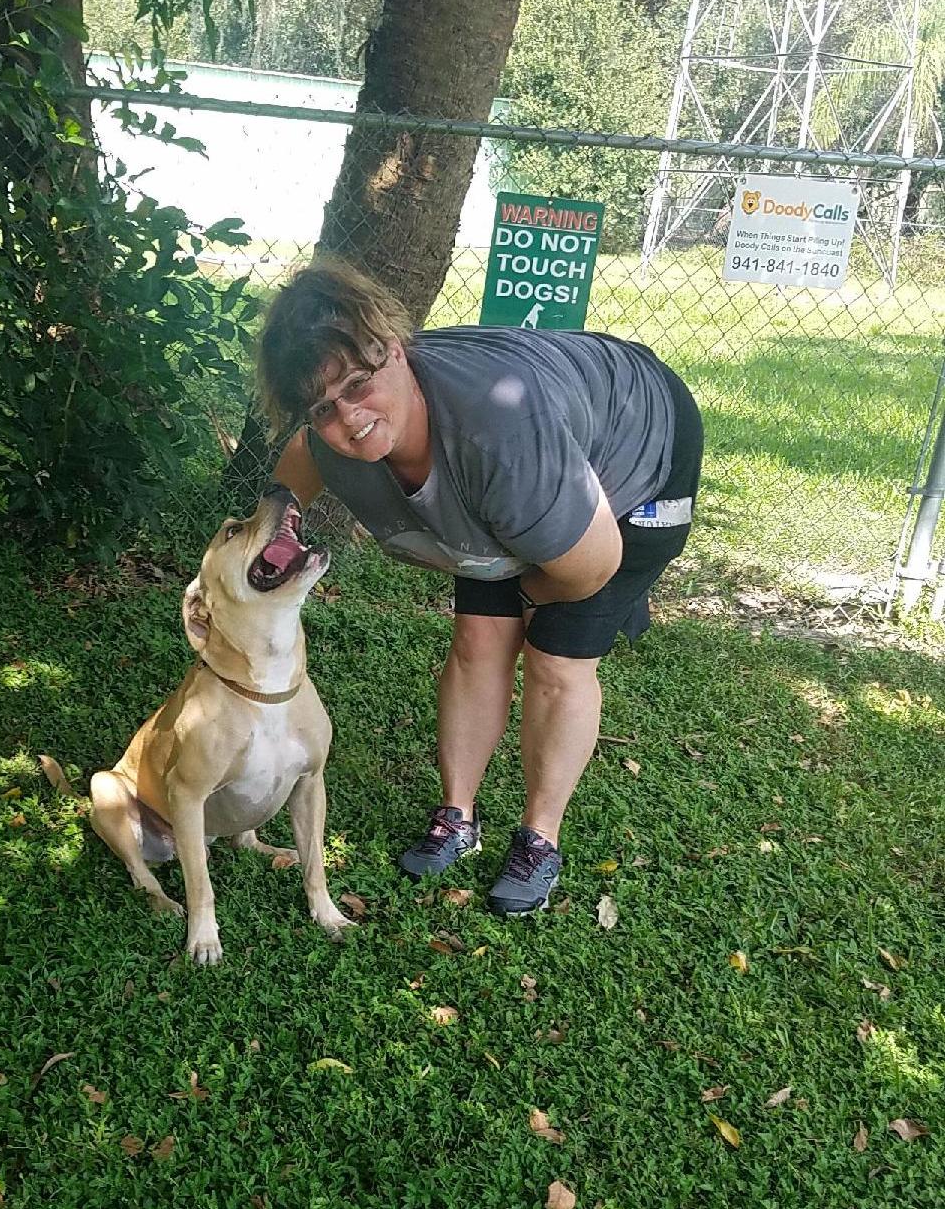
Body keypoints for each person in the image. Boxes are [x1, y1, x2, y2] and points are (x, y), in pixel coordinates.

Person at [256, 258, 703, 916]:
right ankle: (457, 818)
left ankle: (539, 840)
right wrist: (275, 524)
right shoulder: (336, 440)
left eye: (360, 383)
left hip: (636, 452)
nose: (350, 418)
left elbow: (593, 564)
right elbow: (299, 460)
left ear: (397, 349)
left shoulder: (497, 434)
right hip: (525, 474)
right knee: (476, 641)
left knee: (555, 656)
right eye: (325, 405)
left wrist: (528, 599)